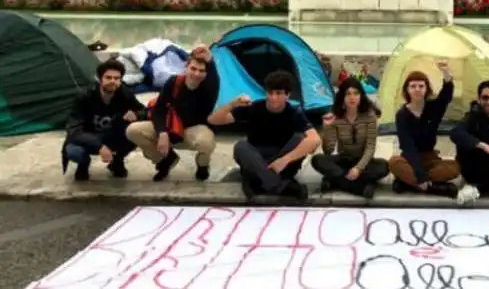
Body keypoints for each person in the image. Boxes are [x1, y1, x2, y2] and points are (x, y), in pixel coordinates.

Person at [208, 70, 321, 201]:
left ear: (287, 95)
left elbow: (315, 139)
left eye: (278, 93)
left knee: (300, 139)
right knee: (241, 146)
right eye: (270, 93)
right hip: (256, 157)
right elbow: (213, 120)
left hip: (281, 162)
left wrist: (284, 160)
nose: (273, 98)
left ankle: (258, 181)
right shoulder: (254, 107)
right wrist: (233, 103)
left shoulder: (294, 112)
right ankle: (279, 185)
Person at [126, 45, 219, 182]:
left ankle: (202, 166)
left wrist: (210, 60)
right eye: (193, 69)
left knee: (206, 142)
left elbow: (213, 78)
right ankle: (166, 159)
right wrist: (161, 132)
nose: (197, 74)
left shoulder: (208, 87)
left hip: (192, 130)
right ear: (186, 68)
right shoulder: (174, 82)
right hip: (171, 127)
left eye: (201, 71)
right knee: (133, 131)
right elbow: (159, 109)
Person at [62, 60, 145, 181]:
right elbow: (74, 130)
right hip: (86, 137)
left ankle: (117, 162)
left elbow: (145, 111)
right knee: (73, 151)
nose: (113, 81)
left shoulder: (125, 94)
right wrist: (99, 146)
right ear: (100, 79)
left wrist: (136, 115)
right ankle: (83, 165)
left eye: (117, 78)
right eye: (108, 77)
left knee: (135, 133)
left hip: (111, 136)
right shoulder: (84, 96)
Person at [388, 62, 461, 198]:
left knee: (455, 167)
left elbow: (446, 97)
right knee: (394, 163)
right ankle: (435, 188)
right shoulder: (402, 115)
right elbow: (407, 146)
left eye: (421, 86)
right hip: (410, 159)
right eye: (413, 86)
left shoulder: (433, 108)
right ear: (407, 90)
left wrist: (446, 74)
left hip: (430, 158)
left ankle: (408, 183)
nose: (417, 89)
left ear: (426, 89)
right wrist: (419, 173)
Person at [311, 77, 389, 198]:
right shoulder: (336, 115)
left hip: (363, 161)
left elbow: (370, 147)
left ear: (361, 96)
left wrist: (358, 168)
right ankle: (360, 187)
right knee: (317, 160)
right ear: (342, 97)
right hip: (343, 160)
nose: (352, 97)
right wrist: (327, 129)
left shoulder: (370, 115)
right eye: (348, 94)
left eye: (356, 93)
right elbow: (328, 151)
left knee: (384, 166)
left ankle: (335, 181)